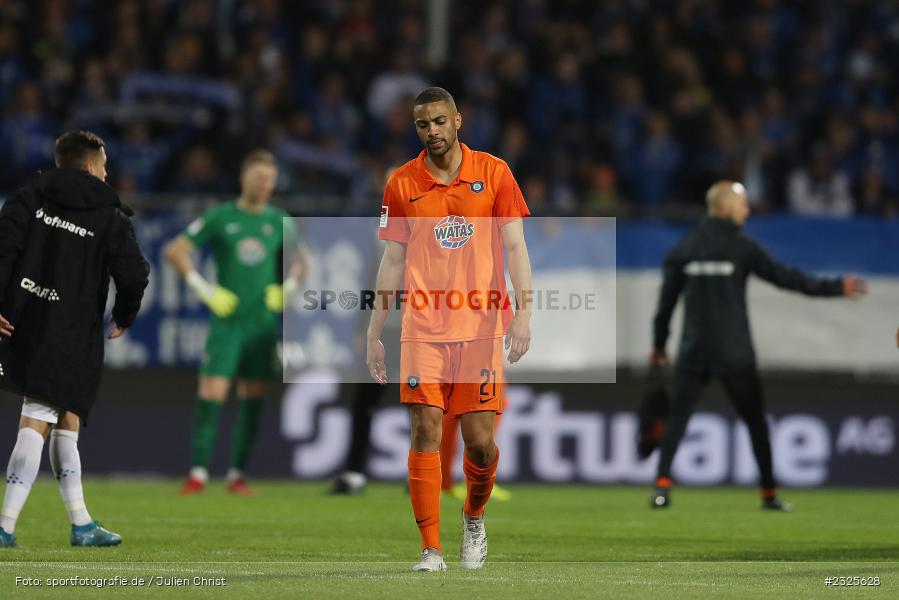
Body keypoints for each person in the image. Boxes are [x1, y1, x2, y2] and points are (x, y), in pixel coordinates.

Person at [366, 87, 532, 572]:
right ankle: (430, 550)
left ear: (458, 120)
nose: (432, 131)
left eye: (440, 121)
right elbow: (392, 259)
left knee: (481, 442)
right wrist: (375, 331)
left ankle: (474, 516)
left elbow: (517, 248)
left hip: (481, 325)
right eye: (423, 124)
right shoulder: (401, 183)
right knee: (425, 430)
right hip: (422, 327)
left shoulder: (495, 173)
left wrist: (524, 312)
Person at [650, 180, 866, 511]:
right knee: (755, 424)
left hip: (695, 351)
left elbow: (665, 307)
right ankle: (768, 494)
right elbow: (788, 279)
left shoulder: (683, 250)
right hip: (736, 352)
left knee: (678, 420)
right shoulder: (742, 248)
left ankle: (661, 488)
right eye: (743, 205)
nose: (747, 211)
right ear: (724, 208)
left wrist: (659, 345)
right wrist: (836, 287)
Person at [0, 130, 149, 547]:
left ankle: (81, 523)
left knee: (65, 417)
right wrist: (124, 314)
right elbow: (135, 273)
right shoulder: (109, 215)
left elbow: (3, 247)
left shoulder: (31, 196)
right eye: (103, 164)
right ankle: (5, 524)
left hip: (23, 322)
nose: (107, 172)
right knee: (38, 415)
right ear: (88, 167)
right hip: (70, 331)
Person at [164, 149, 307, 496]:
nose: (264, 185)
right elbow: (175, 251)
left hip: (261, 323)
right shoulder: (220, 217)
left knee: (253, 397)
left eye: (270, 180)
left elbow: (303, 261)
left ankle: (236, 475)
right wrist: (203, 288)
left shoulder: (280, 221)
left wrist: (287, 287)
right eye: (259, 178)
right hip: (226, 322)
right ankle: (198, 473)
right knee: (212, 393)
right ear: (244, 178)